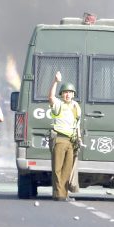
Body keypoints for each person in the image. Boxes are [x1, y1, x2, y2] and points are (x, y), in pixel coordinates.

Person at [47, 71, 82, 201]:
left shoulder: (76, 106)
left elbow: (77, 124)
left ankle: (64, 193)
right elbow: (50, 97)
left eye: (70, 92)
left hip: (71, 141)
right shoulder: (58, 104)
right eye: (65, 92)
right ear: (61, 94)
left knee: (67, 169)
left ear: (73, 94)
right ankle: (58, 194)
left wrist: (79, 138)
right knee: (57, 168)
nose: (67, 94)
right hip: (60, 139)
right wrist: (56, 81)